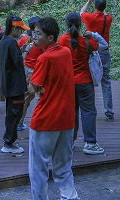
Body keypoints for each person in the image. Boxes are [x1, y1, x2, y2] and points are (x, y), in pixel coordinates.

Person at [27, 17, 79, 200]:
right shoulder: (65, 52)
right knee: (63, 167)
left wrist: (36, 86)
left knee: (38, 169)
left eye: (38, 34)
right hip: (66, 119)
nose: (34, 37)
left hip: (45, 120)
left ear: (50, 38)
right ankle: (70, 197)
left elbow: (32, 87)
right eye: (34, 32)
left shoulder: (44, 58)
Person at [59, 13, 108, 155]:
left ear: (67, 24)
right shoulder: (86, 41)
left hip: (69, 82)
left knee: (71, 112)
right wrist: (93, 34)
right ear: (81, 25)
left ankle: (70, 142)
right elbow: (104, 45)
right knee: (88, 112)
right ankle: (90, 143)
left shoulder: (62, 40)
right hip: (85, 82)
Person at [0, 15, 29, 154]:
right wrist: (23, 53)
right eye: (20, 29)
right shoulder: (11, 43)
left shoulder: (4, 41)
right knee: (15, 113)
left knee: (11, 113)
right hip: (15, 85)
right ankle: (9, 142)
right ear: (14, 28)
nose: (22, 32)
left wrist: (20, 51)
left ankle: (10, 140)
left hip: (8, 84)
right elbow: (17, 63)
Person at [81, 0, 114, 120]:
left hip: (91, 51)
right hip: (104, 51)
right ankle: (109, 110)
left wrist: (89, 2)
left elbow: (81, 12)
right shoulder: (108, 18)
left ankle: (88, 108)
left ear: (95, 6)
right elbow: (104, 14)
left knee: (89, 79)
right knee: (106, 81)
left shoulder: (90, 17)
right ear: (104, 7)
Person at [18, 16, 41, 131]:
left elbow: (18, 49)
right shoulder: (40, 42)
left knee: (26, 96)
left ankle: (19, 122)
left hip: (26, 70)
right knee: (40, 96)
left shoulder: (25, 39)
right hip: (37, 71)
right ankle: (41, 120)